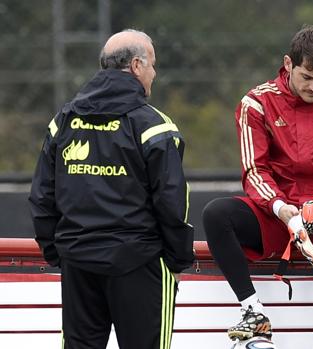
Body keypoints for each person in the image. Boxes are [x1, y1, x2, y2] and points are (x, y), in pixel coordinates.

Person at [202, 25, 313, 349]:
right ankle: (254, 315)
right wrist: (284, 211)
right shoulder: (256, 103)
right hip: (276, 213)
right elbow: (255, 170)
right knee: (217, 214)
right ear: (288, 64)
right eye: (307, 76)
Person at [28, 29, 194, 349]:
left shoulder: (63, 120)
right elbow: (172, 202)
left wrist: (59, 251)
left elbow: (41, 196)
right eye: (152, 65)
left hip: (78, 262)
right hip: (139, 262)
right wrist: (176, 261)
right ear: (135, 66)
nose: (154, 74)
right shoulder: (155, 126)